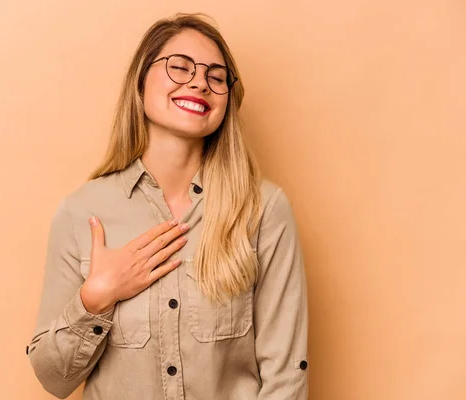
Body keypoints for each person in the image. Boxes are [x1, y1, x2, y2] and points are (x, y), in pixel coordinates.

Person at [26, 13, 309, 400]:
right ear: (141, 83)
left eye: (216, 76)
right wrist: (96, 298)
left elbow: (285, 376)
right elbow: (53, 380)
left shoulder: (263, 209)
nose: (198, 82)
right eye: (179, 67)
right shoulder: (82, 213)